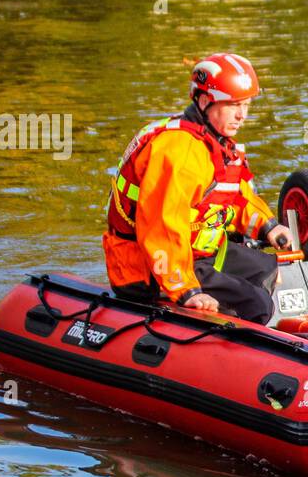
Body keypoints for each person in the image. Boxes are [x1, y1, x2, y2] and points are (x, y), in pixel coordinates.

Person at [103, 52, 292, 323]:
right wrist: (186, 291)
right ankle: (233, 346)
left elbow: (233, 197)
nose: (242, 116)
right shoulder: (179, 152)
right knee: (256, 303)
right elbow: (161, 229)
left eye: (246, 105)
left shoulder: (217, 143)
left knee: (267, 269)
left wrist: (268, 226)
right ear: (204, 102)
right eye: (233, 105)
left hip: (195, 252)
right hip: (149, 268)